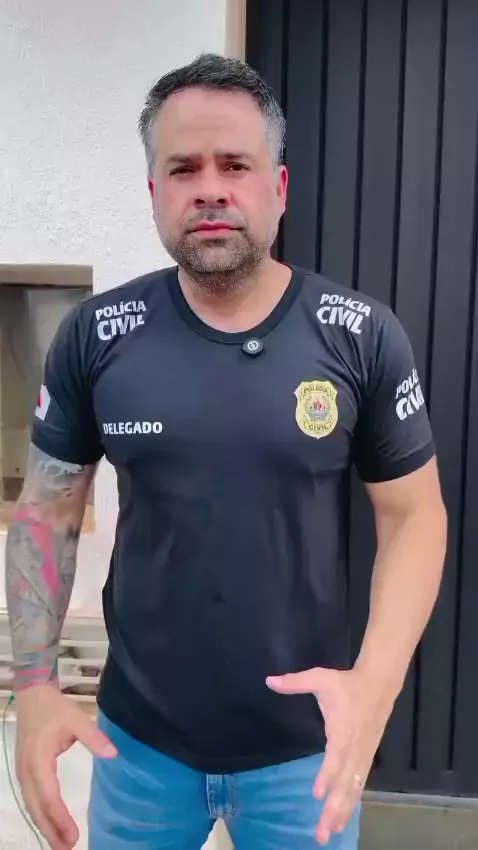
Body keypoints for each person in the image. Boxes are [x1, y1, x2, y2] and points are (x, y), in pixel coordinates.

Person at [5, 53, 447, 850]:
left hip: (304, 754)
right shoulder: (98, 337)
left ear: (278, 188)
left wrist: (375, 689)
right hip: (137, 750)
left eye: (235, 165)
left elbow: (415, 517)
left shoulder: (360, 336)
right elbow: (48, 512)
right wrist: (35, 685)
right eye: (184, 169)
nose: (210, 188)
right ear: (154, 193)